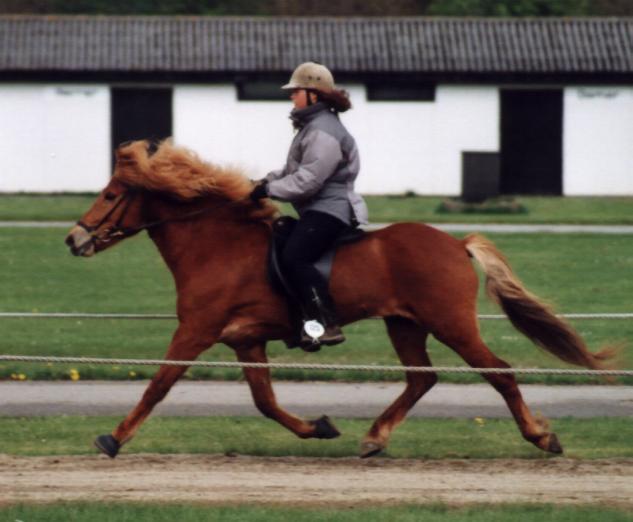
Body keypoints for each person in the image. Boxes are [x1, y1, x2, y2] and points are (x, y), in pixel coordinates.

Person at [250, 61, 368, 349]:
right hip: (320, 208)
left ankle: (326, 324)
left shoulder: (323, 131)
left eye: (296, 91)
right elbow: (292, 171)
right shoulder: (313, 127)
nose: (291, 96)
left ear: (314, 95)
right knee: (279, 232)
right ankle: (298, 321)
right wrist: (258, 183)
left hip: (332, 209)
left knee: (295, 258)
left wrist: (269, 190)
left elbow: (308, 181)